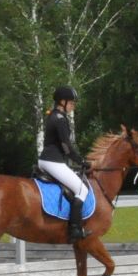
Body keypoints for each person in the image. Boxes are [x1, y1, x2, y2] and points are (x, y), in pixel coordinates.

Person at [37, 85, 90, 243]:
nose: (73, 105)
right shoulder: (60, 119)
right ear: (62, 102)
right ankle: (74, 229)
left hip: (47, 160)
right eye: (71, 102)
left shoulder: (53, 115)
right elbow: (67, 148)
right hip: (53, 161)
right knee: (82, 189)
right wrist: (82, 162)